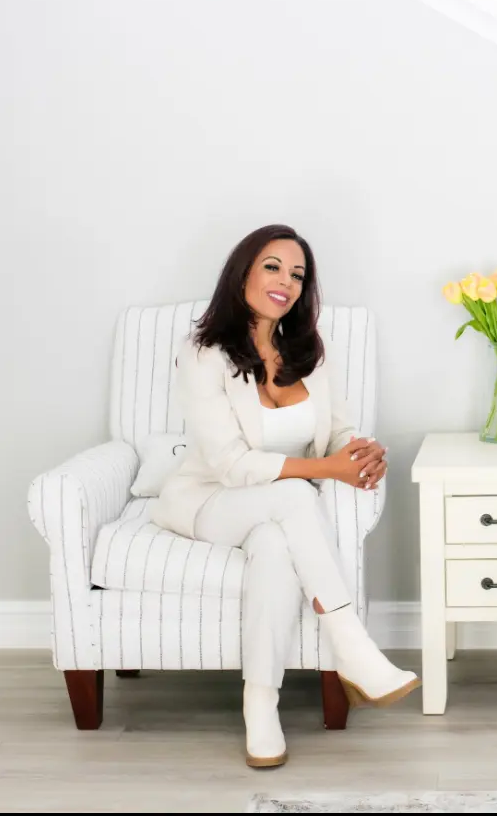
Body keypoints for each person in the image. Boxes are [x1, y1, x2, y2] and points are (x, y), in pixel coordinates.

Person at [153, 224, 419, 769]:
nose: (286, 282)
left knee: (276, 544)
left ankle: (261, 707)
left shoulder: (310, 352)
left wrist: (360, 453)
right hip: (209, 500)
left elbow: (338, 431)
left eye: (298, 274)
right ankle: (352, 646)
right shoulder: (203, 353)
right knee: (296, 495)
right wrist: (327, 469)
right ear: (244, 272)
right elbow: (230, 464)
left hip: (270, 510)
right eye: (273, 267)